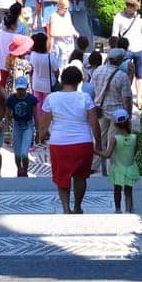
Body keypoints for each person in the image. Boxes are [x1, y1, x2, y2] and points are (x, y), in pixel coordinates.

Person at [38, 64, 99, 214]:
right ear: (79, 81)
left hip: (59, 143)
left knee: (61, 177)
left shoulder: (52, 98)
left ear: (62, 79)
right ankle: (77, 206)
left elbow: (43, 125)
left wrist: (40, 138)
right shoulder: (85, 98)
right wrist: (98, 143)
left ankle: (66, 208)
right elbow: (94, 123)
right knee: (80, 177)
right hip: (83, 143)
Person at [91, 46, 134, 173]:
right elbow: (126, 99)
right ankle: (113, 169)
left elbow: (94, 89)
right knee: (114, 141)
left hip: (100, 110)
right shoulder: (122, 76)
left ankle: (93, 165)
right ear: (120, 60)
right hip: (117, 113)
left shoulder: (97, 71)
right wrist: (129, 117)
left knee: (98, 138)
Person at [96, 107, 139, 213]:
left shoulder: (115, 139)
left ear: (115, 125)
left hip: (118, 169)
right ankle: (129, 210)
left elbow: (107, 155)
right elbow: (135, 152)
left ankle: (118, 210)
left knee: (117, 191)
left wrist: (95, 151)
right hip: (131, 167)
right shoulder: (135, 137)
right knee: (128, 192)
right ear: (129, 121)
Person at [111, 0, 142, 96]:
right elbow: (115, 35)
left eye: (135, 8)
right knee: (123, 73)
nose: (133, 10)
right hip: (126, 50)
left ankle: (139, 97)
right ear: (128, 6)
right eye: (132, 7)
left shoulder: (140, 18)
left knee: (140, 74)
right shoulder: (118, 17)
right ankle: (123, 94)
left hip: (140, 49)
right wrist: (116, 50)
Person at [6, 74, 38, 176]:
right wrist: (7, 133)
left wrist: (38, 132)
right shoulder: (12, 99)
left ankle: (25, 170)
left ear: (27, 88)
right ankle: (19, 169)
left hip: (28, 126)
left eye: (22, 89)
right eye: (19, 89)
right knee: (17, 154)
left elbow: (35, 116)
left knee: (24, 153)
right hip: (17, 126)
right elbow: (7, 116)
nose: (20, 91)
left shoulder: (31, 99)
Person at [25, 30, 58, 109]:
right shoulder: (50, 57)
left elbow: (32, 67)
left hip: (36, 84)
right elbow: (57, 71)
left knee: (38, 105)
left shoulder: (33, 55)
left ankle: (39, 120)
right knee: (47, 106)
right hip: (48, 85)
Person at [47, 0, 77, 64]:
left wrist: (74, 32)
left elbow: (70, 25)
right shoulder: (54, 16)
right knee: (60, 64)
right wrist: (66, 34)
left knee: (69, 62)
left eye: (67, 8)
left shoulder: (67, 14)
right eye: (65, 8)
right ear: (59, 7)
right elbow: (52, 33)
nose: (66, 10)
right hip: (59, 45)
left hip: (69, 43)